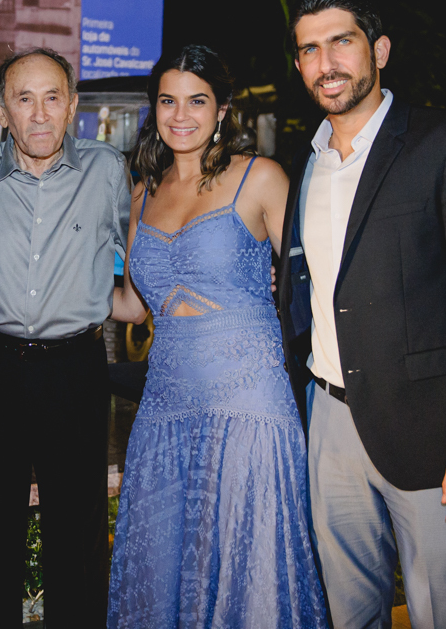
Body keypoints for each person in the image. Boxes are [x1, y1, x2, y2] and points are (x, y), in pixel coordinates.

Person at [278, 0, 446, 629]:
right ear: (298, 65)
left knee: (444, 610)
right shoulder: (306, 162)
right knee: (349, 612)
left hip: (430, 434)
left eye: (342, 41)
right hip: (329, 422)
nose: (326, 62)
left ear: (379, 50)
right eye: (310, 49)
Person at [107, 44, 327, 628]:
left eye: (197, 101)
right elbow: (132, 306)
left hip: (248, 401)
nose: (180, 115)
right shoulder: (142, 192)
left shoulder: (261, 178)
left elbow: (312, 282)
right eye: (168, 101)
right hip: (165, 406)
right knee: (164, 563)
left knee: (246, 565)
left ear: (223, 109)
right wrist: (55, 288)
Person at [0, 48, 129, 627]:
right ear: (1, 109)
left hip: (75, 369)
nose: (39, 114)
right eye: (23, 99)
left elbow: (143, 251)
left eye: (52, 97)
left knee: (77, 531)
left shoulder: (107, 170)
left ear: (72, 105)